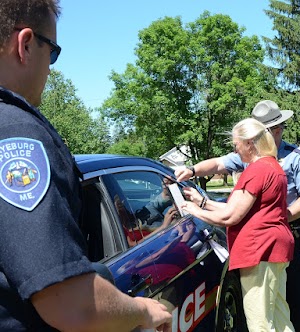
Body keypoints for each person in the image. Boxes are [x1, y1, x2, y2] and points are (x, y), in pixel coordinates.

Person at [0, 1, 171, 331]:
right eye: (52, 51)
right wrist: (143, 312)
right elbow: (68, 302)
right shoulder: (16, 135)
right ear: (24, 45)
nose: (50, 69)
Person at [175, 100, 300, 332]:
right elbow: (218, 166)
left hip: (271, 244)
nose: (234, 150)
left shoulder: (275, 163)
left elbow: (231, 216)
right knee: (279, 314)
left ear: (254, 141)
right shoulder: (268, 164)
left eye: (237, 144)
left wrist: (195, 210)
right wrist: (193, 175)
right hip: (277, 244)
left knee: (270, 317)